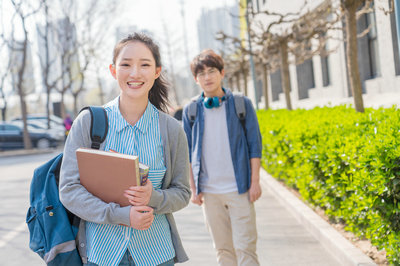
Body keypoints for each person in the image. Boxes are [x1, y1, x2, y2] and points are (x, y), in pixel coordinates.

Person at [59, 33, 191, 266]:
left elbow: (182, 192)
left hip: (156, 254)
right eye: (126, 65)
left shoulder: (171, 129)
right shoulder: (88, 122)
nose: (135, 73)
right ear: (113, 70)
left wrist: (154, 197)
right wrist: (120, 216)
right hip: (102, 254)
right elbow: (69, 189)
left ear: (157, 71)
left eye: (145, 65)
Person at [182, 49, 262, 266]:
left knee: (246, 249)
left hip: (240, 189)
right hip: (210, 193)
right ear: (196, 79)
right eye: (201, 74)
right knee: (223, 251)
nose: (207, 77)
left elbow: (255, 145)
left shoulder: (241, 104)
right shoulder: (191, 110)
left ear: (222, 72)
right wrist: (193, 188)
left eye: (211, 71)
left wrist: (255, 182)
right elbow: (188, 153)